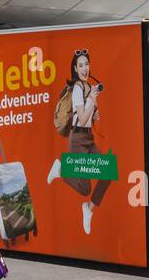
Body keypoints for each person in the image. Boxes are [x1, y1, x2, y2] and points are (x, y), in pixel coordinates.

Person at [46, 48, 110, 234]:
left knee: (107, 173)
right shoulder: (76, 89)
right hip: (78, 138)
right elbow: (81, 118)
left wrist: (95, 109)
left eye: (87, 64)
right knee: (84, 188)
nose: (85, 68)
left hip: (88, 137)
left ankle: (88, 208)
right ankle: (60, 168)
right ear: (75, 68)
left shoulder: (89, 87)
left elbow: (90, 116)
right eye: (80, 65)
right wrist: (91, 102)